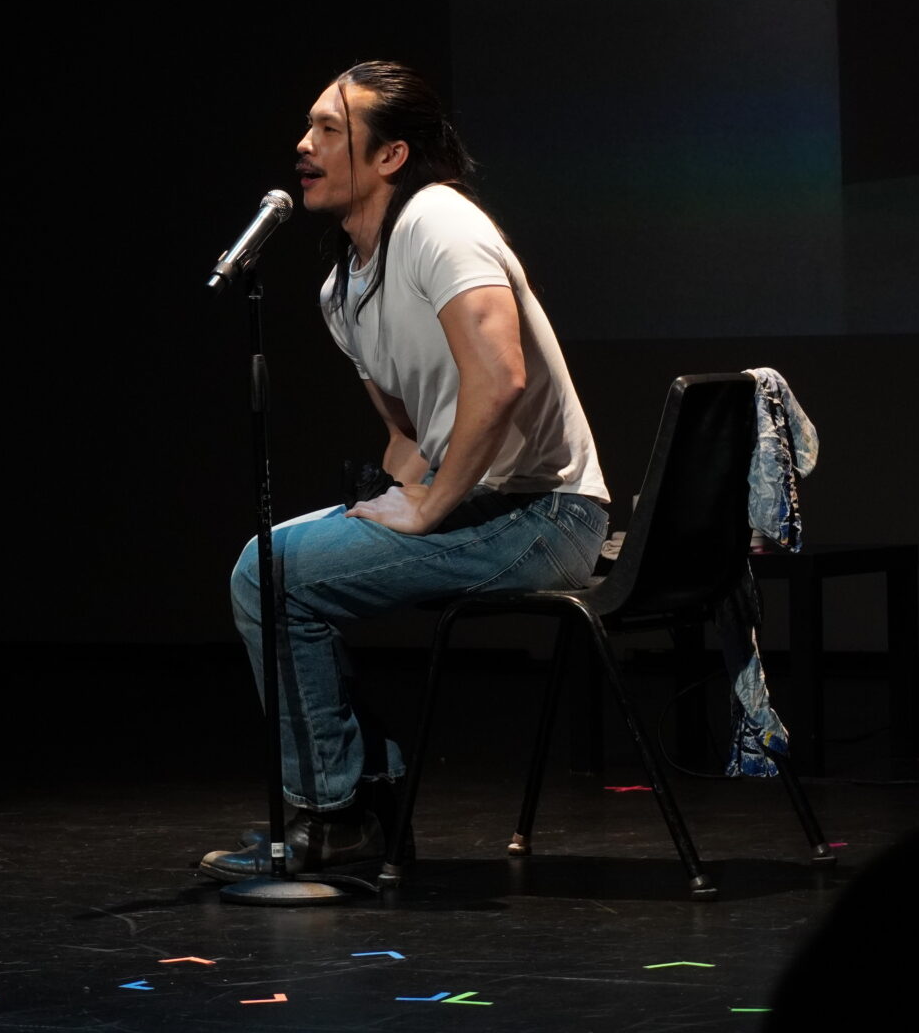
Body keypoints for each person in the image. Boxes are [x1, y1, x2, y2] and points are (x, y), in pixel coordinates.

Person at [199, 61, 611, 882]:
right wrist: (388, 496)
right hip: (478, 507)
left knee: (270, 572)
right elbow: (413, 437)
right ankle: (359, 801)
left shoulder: (438, 223)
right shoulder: (342, 289)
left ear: (390, 155)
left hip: (546, 514)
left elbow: (500, 378)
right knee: (273, 565)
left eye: (329, 130)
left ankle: (338, 816)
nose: (303, 145)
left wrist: (423, 513)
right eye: (307, 127)